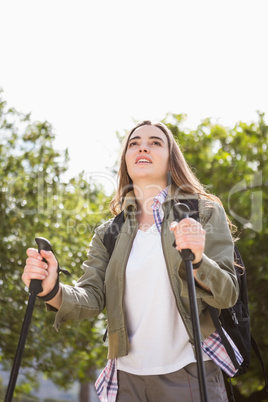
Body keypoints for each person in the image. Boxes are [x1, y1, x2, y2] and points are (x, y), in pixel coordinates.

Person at [22, 120, 239, 401]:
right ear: (126, 160)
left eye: (155, 142)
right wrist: (52, 289)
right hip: (125, 380)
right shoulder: (109, 232)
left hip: (189, 371)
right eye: (134, 143)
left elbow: (227, 295)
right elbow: (92, 297)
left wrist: (199, 260)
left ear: (171, 159)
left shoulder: (202, 213)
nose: (142, 147)